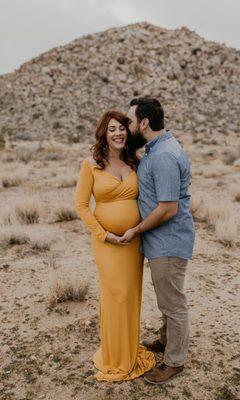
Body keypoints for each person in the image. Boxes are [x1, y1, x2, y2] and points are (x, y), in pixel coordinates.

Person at [74, 110, 155, 382]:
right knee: (115, 294)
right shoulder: (91, 165)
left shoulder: (136, 162)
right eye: (112, 129)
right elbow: (82, 206)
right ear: (103, 134)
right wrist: (104, 234)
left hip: (134, 242)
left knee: (130, 294)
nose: (118, 133)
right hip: (106, 243)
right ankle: (113, 355)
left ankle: (129, 351)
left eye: (122, 128)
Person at [119, 97, 195, 384]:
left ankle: (174, 361)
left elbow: (167, 208)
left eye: (129, 121)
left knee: (173, 303)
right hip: (163, 241)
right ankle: (166, 341)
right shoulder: (155, 150)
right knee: (167, 297)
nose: (127, 126)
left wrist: (136, 230)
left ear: (144, 123)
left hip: (168, 241)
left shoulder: (163, 155)